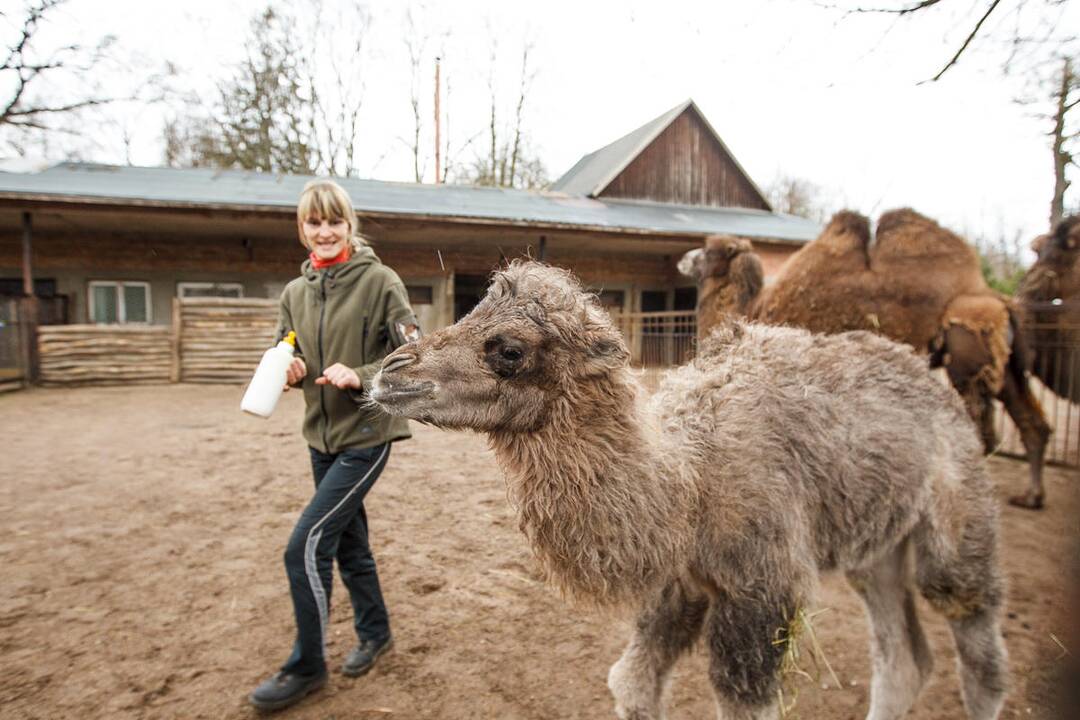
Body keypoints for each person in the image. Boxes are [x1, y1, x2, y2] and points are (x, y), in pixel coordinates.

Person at [249, 180, 420, 712]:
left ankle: (307, 666)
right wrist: (289, 369)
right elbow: (286, 348)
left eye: (334, 222)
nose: (324, 232)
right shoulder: (295, 293)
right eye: (314, 223)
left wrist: (362, 373)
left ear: (349, 225)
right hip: (319, 439)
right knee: (349, 544)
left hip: (366, 438)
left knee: (304, 547)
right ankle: (376, 633)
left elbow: (415, 358)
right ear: (302, 230)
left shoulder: (380, 282)